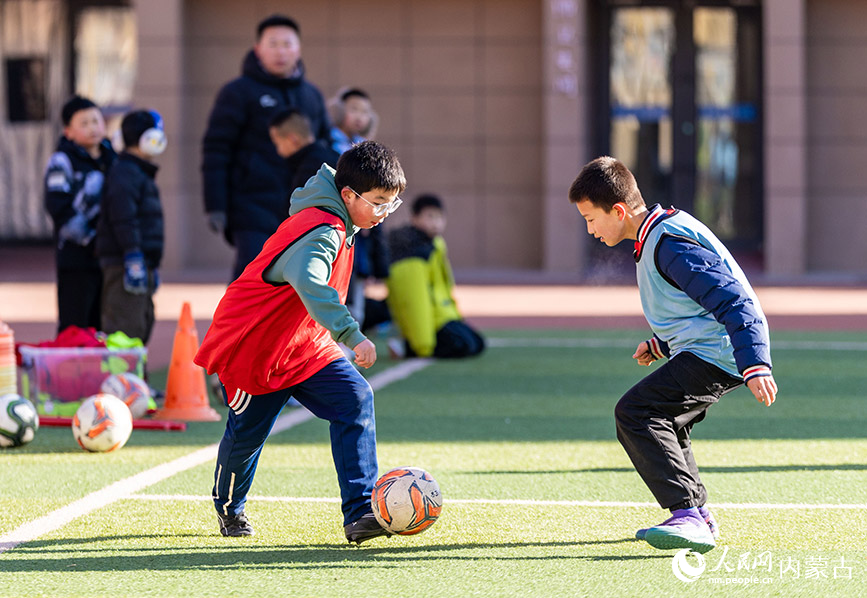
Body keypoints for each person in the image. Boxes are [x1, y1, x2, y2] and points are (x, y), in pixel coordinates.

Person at [194, 141, 406, 544]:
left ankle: (360, 511)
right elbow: (310, 281)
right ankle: (229, 508)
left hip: (306, 345)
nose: (384, 213)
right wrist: (351, 334)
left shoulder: (345, 222)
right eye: (379, 202)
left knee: (355, 399)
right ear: (348, 195)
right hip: (255, 350)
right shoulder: (321, 229)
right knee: (247, 437)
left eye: (391, 204)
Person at [568, 156, 778, 554]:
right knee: (666, 419)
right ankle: (698, 516)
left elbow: (734, 303)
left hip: (722, 353)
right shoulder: (656, 236)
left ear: (617, 210)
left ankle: (688, 515)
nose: (590, 229)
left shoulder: (669, 244)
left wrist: (755, 363)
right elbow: (690, 308)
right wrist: (661, 344)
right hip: (712, 349)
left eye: (590, 219)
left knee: (638, 413)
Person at [202, 14, 331, 281]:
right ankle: (238, 326)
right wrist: (216, 205)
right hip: (251, 205)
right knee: (251, 279)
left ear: (298, 49)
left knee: (295, 286)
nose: (280, 51)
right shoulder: (237, 92)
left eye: (287, 44)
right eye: (272, 44)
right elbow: (216, 149)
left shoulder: (312, 95)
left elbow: (326, 147)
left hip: (303, 209)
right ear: (258, 49)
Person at [43, 96, 116, 333]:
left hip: (108, 257)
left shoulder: (112, 159)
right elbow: (58, 206)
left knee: (103, 326)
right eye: (84, 123)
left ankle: (102, 372)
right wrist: (91, 240)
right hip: (76, 258)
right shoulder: (61, 161)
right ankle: (67, 370)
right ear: (68, 132)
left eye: (96, 120)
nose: (93, 127)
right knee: (74, 326)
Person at [96, 110, 166, 345]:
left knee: (141, 321)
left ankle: (133, 380)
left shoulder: (134, 172)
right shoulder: (126, 173)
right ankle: (123, 381)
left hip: (138, 261)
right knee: (125, 330)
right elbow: (123, 217)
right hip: (126, 262)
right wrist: (133, 253)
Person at [386, 194, 485, 359]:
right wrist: (422, 345)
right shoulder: (412, 254)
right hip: (432, 322)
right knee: (463, 346)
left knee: (477, 343)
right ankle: (407, 347)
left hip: (443, 316)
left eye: (439, 217)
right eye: (430, 217)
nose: (435, 223)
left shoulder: (435, 244)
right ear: (414, 218)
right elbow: (416, 302)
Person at [268, 107, 339, 200]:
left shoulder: (307, 172)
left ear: (292, 139)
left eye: (277, 144)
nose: (278, 151)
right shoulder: (335, 155)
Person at [328, 87, 377, 155]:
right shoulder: (327, 140)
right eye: (354, 109)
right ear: (339, 111)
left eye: (365, 112)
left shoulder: (363, 145)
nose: (359, 117)